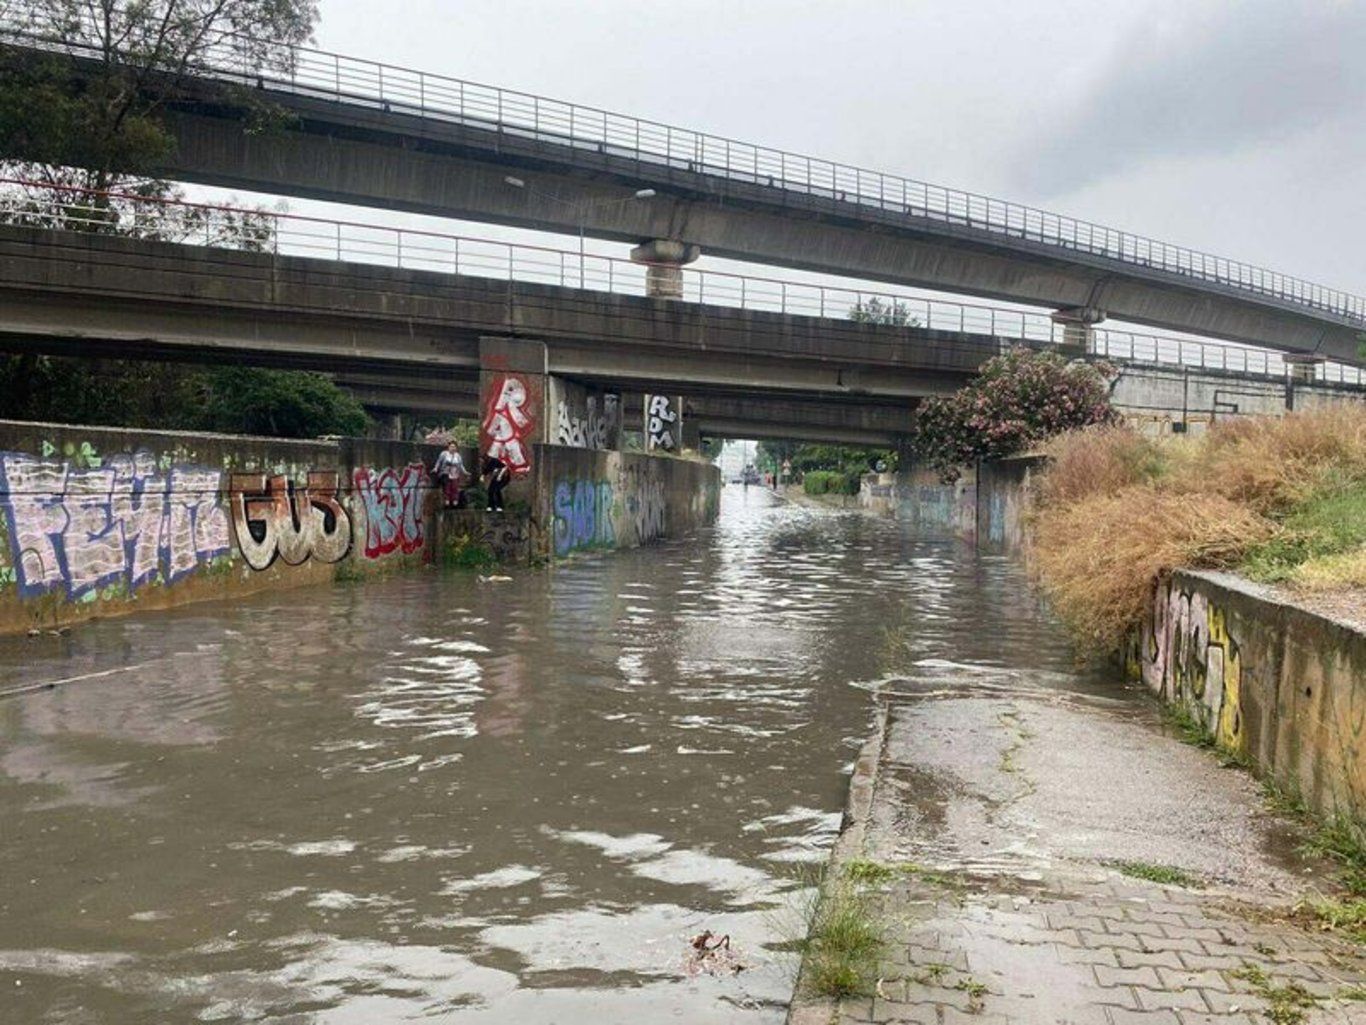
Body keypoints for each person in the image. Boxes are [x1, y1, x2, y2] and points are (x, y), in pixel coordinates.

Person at [432, 441, 466, 509]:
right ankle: (447, 502)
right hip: (446, 473)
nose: (453, 448)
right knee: (447, 488)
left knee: (455, 488)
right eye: (451, 447)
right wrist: (436, 468)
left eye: (454, 447)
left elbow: (461, 465)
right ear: (448, 447)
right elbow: (439, 462)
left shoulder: (457, 456)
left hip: (455, 474)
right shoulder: (444, 454)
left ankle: (455, 503)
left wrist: (464, 471)